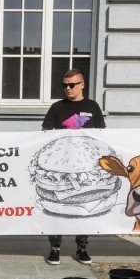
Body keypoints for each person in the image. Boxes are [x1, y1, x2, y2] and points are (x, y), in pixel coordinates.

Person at [41, 68, 106, 266]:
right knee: (58, 206)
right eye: (64, 85)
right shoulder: (56, 107)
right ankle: (54, 249)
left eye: (72, 85)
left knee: (85, 205)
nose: (68, 89)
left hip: (87, 166)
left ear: (82, 85)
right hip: (61, 166)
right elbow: (45, 133)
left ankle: (82, 248)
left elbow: (103, 134)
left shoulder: (92, 106)